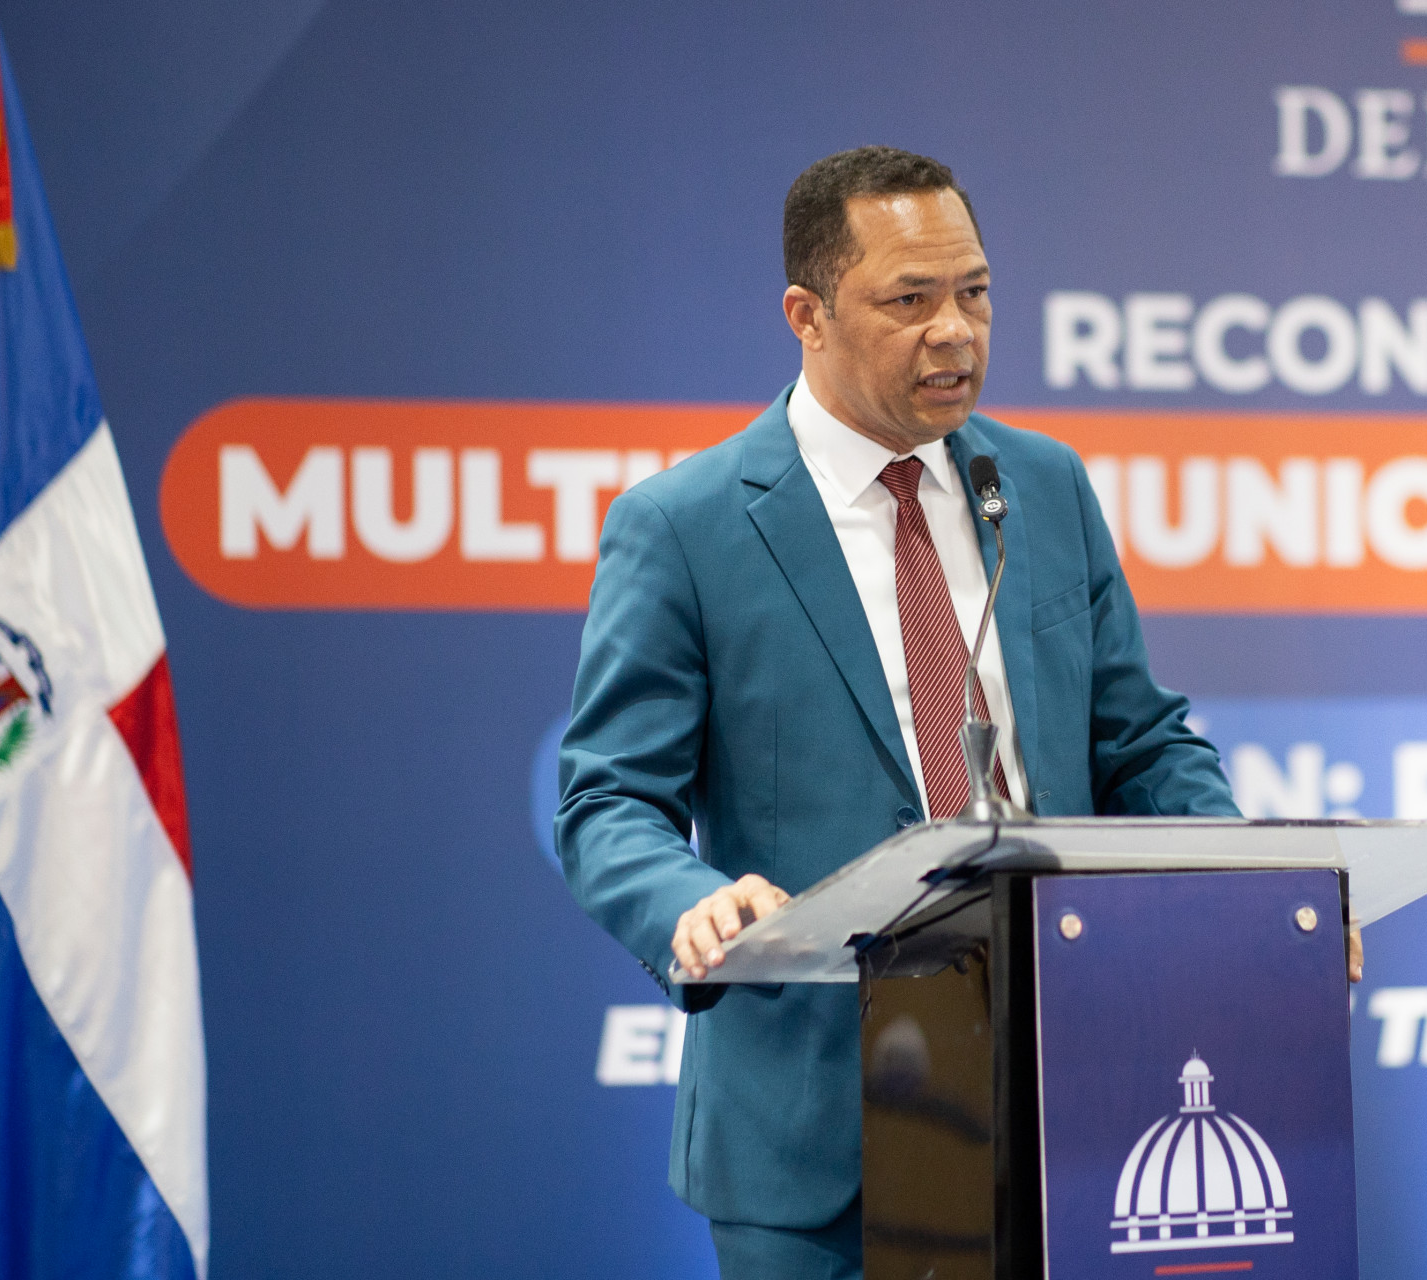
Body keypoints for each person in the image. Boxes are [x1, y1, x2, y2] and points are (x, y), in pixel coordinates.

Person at [555, 146, 1360, 1280]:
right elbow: (606, 801)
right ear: (807, 315)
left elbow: (1140, 741)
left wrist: (1254, 899)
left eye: (975, 293)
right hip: (817, 1129)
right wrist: (689, 901)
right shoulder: (685, 526)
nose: (956, 332)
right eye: (910, 300)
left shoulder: (1041, 485)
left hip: (1072, 1087)